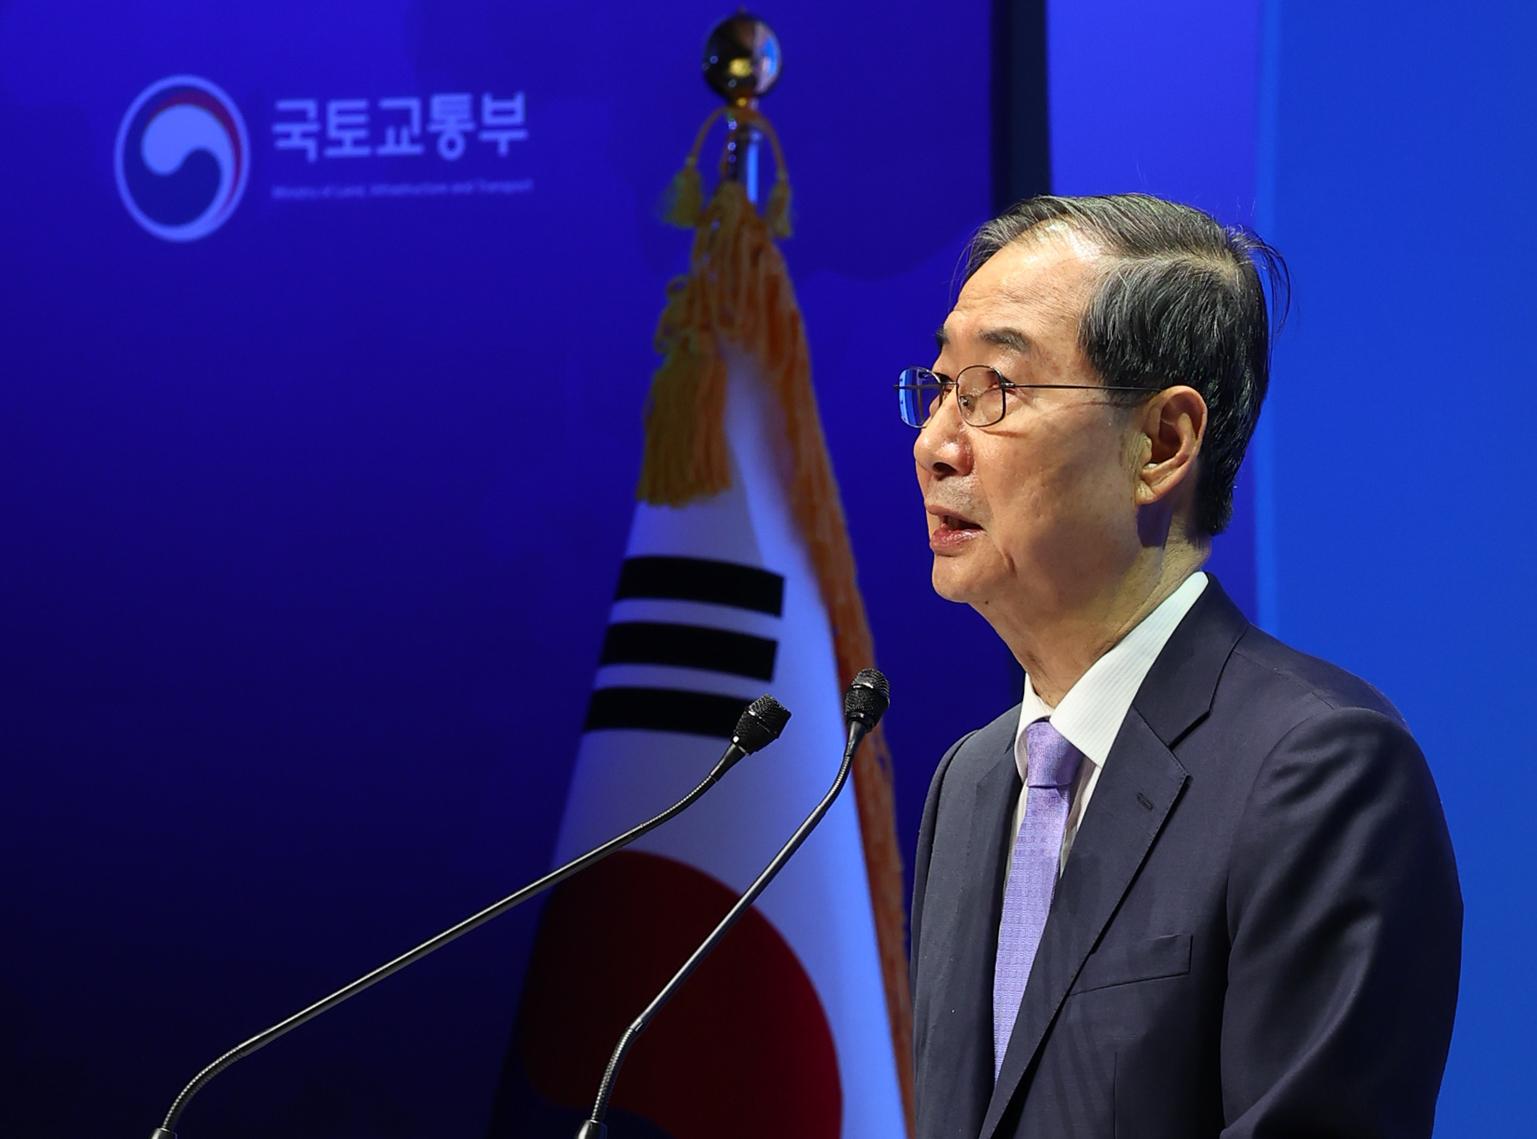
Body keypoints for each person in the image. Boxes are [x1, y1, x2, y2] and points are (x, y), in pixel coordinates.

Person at [904, 194, 1460, 1139]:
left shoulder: (1318, 772)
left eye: (993, 387)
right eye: (940, 385)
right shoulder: (970, 781)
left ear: (1160, 444)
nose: (935, 445)